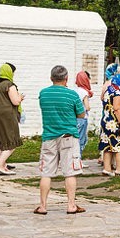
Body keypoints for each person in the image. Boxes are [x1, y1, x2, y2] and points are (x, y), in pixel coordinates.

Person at [34, 65, 86, 215]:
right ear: (66, 78)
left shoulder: (43, 94)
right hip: (68, 136)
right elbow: (81, 114)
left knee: (46, 172)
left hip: (49, 136)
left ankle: (43, 206)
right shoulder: (72, 95)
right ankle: (71, 205)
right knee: (70, 172)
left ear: (51, 78)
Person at [0, 62, 22, 175]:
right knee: (12, 141)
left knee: (1, 141)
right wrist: (20, 97)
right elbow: (15, 101)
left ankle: (2, 166)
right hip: (7, 115)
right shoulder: (9, 85)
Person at [99, 72, 120, 177]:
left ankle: (107, 169)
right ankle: (119, 169)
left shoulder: (109, 89)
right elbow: (117, 108)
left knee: (108, 145)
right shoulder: (118, 91)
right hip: (114, 123)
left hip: (106, 121)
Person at [73, 71, 94, 163]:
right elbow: (87, 107)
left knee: (74, 139)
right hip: (82, 118)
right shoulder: (84, 92)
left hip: (74, 118)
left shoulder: (74, 90)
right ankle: (78, 160)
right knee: (81, 140)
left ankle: (72, 159)